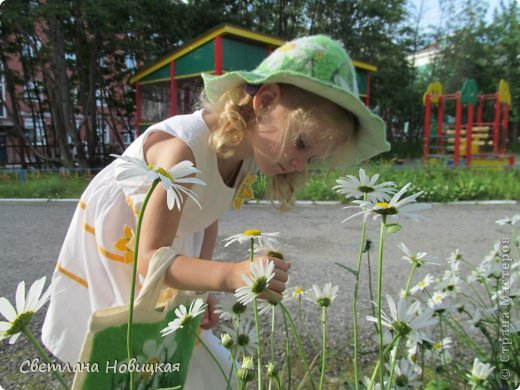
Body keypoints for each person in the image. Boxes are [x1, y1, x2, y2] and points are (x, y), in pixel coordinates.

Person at [42, 34, 389, 388]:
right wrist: (229, 276)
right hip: (122, 249)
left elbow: (207, 214)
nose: (299, 163)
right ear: (265, 102)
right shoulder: (180, 151)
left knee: (182, 360)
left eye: (311, 157)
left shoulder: (245, 156)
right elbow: (148, 258)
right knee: (125, 356)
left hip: (167, 247)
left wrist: (200, 289)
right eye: (300, 143)